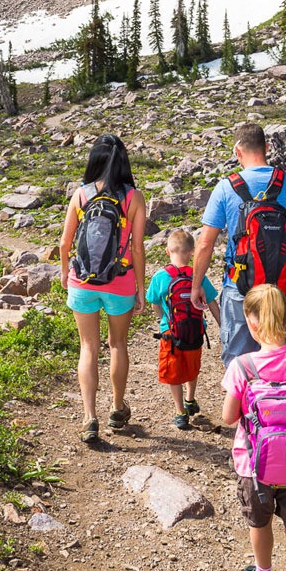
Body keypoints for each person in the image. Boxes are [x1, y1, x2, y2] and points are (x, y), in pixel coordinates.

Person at [192, 123, 286, 368]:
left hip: (240, 287)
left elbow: (205, 243)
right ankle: (275, 404)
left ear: (237, 150)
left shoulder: (225, 187)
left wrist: (197, 284)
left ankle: (242, 406)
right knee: (274, 356)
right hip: (279, 288)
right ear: (268, 147)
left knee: (238, 361)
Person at [222, 284, 286, 571]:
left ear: (250, 323)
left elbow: (228, 418)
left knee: (260, 522)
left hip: (254, 467)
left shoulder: (243, 367)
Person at [59, 133, 147, 444]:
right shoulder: (133, 198)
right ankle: (116, 409)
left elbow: (65, 243)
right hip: (119, 281)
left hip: (82, 281)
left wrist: (63, 273)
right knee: (117, 345)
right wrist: (141, 287)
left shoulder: (80, 195)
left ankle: (89, 417)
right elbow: (137, 248)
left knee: (88, 347)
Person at [146, 229, 218, 430]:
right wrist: (223, 326)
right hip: (195, 332)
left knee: (174, 372)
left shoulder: (160, 276)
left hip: (171, 334)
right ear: (192, 252)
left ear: (168, 251)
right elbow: (212, 302)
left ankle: (180, 412)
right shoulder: (198, 276)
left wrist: (165, 320)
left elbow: (154, 303)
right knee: (191, 367)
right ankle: (190, 399)